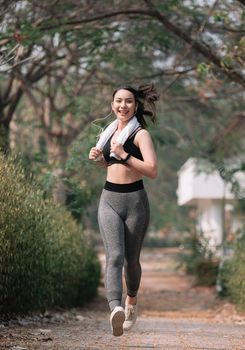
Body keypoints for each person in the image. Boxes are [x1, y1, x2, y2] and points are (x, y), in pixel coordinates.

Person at [88, 83, 159, 337]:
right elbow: (109, 163)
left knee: (131, 261)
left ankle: (131, 301)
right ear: (112, 104)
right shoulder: (107, 133)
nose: (123, 105)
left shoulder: (140, 135)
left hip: (135, 202)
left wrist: (124, 154)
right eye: (119, 101)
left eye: (128, 101)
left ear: (136, 105)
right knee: (114, 256)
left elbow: (152, 170)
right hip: (109, 199)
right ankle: (115, 308)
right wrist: (100, 157)